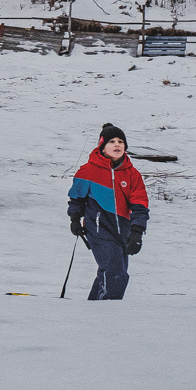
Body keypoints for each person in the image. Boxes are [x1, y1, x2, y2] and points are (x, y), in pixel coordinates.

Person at [67, 122, 149, 300]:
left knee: (110, 271)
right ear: (102, 146)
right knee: (115, 273)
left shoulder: (132, 174)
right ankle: (107, 313)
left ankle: (94, 308)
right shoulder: (88, 171)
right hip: (98, 229)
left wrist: (136, 232)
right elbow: (76, 198)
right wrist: (74, 219)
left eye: (121, 141)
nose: (117, 144)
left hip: (124, 231)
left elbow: (140, 204)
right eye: (112, 141)